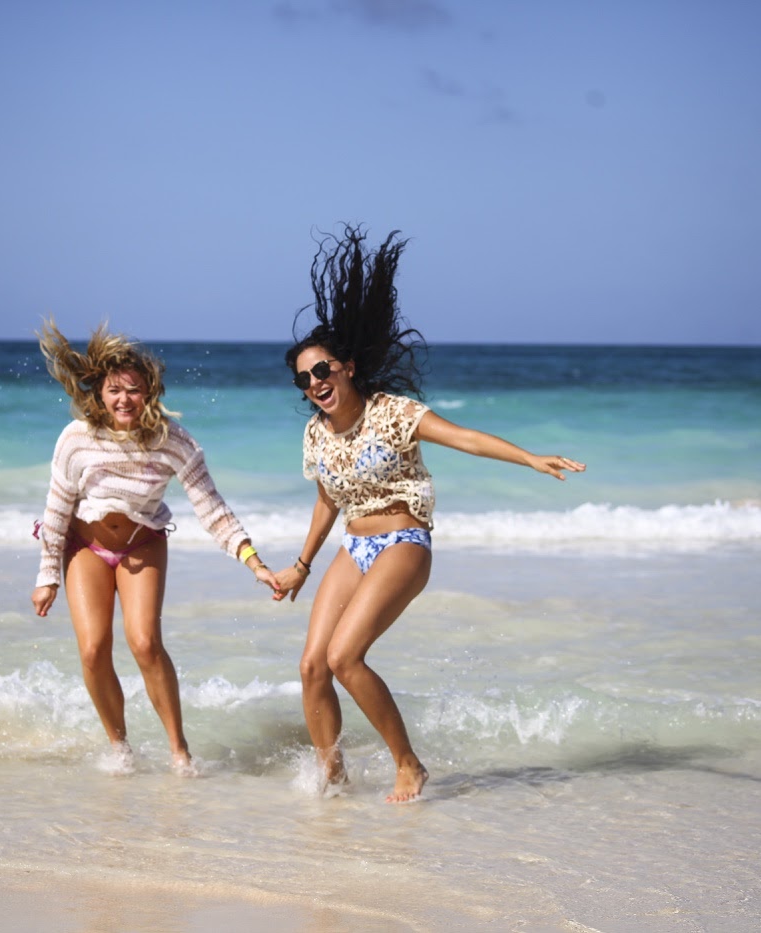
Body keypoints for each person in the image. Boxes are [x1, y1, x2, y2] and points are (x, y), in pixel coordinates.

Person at [273, 227, 586, 802]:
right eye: (303, 379)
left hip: (402, 542)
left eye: (321, 371)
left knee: (346, 657)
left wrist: (529, 458)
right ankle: (332, 776)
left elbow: (464, 439)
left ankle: (408, 765)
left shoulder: (394, 413)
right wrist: (300, 564)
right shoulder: (316, 434)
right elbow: (326, 499)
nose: (313, 383)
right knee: (312, 666)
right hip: (354, 545)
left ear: (345, 368)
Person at [31, 320, 279, 774]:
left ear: (150, 392)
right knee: (93, 649)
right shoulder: (75, 439)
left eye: (134, 390)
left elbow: (212, 507)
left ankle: (179, 751)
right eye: (114, 390)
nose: (124, 399)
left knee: (144, 643)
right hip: (85, 546)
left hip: (142, 543)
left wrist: (254, 562)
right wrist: (47, 576)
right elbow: (57, 509)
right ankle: (119, 747)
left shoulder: (171, 441)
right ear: (99, 395)